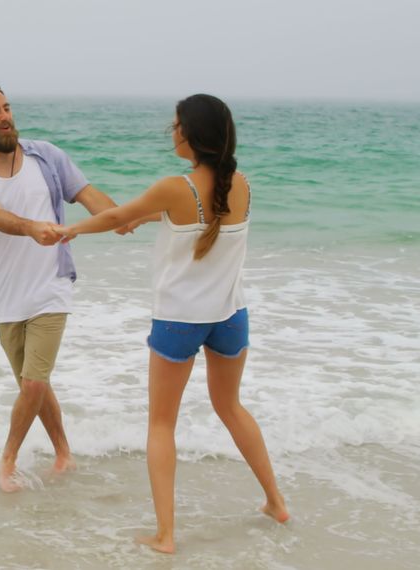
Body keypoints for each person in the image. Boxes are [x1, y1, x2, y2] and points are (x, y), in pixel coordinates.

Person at [55, 94, 289, 553]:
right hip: (230, 316)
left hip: (179, 321)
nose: (172, 131)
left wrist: (68, 231)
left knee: (162, 424)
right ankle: (276, 502)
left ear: (192, 135)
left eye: (177, 125)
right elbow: (193, 217)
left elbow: (119, 216)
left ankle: (166, 535)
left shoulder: (174, 187)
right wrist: (144, 217)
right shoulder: (241, 183)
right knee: (231, 407)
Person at [0, 81, 122, 493]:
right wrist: (30, 228)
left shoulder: (46, 156)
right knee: (33, 384)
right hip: (7, 294)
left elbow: (87, 194)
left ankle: (7, 459)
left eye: (6, 108)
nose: (6, 117)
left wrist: (120, 217)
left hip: (51, 286)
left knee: (35, 381)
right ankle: (64, 453)